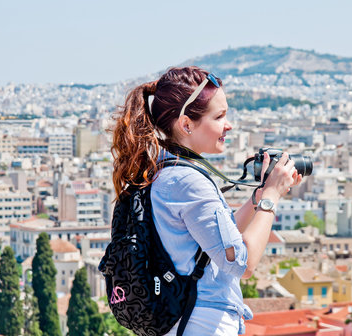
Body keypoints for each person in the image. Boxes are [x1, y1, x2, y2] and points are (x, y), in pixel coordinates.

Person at [110, 66, 301, 335]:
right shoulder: (189, 182)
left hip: (185, 319)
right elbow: (241, 263)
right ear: (186, 124)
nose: (228, 125)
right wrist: (272, 197)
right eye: (220, 116)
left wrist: (257, 199)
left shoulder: (164, 171)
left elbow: (214, 243)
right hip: (202, 323)